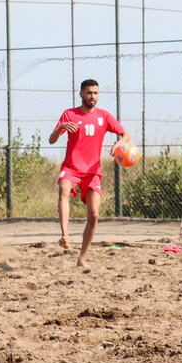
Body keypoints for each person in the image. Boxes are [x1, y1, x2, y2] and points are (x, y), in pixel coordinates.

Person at [49, 79, 131, 268]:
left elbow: (126, 134)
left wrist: (119, 143)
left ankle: (82, 258)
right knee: (63, 189)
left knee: (94, 214)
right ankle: (65, 235)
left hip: (93, 172)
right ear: (81, 94)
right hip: (71, 168)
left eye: (95, 93)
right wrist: (61, 128)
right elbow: (52, 140)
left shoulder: (104, 116)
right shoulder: (69, 114)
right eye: (88, 93)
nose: (92, 96)